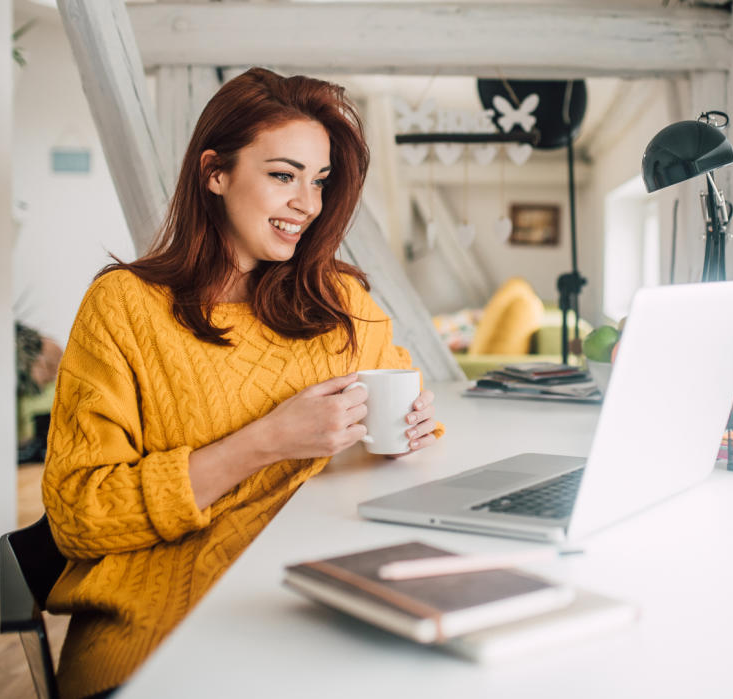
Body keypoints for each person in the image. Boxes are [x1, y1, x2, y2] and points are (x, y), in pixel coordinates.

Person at [41, 68, 442, 699]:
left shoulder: (341, 298)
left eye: (320, 180)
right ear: (215, 173)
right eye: (283, 175)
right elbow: (78, 515)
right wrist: (269, 439)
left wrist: (409, 428)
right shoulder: (125, 306)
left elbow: (401, 411)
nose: (307, 204)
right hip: (168, 632)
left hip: (312, 598)